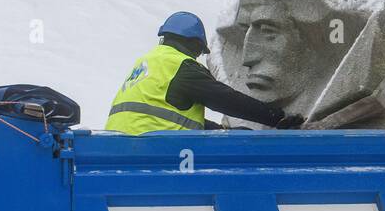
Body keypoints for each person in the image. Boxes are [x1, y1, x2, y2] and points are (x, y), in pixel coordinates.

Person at [106, 12, 304, 134]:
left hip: (122, 145)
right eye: (200, 51)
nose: (198, 56)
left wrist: (222, 131)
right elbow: (225, 100)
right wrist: (276, 117)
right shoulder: (181, 66)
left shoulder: (146, 63)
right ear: (193, 43)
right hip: (156, 147)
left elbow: (167, 118)